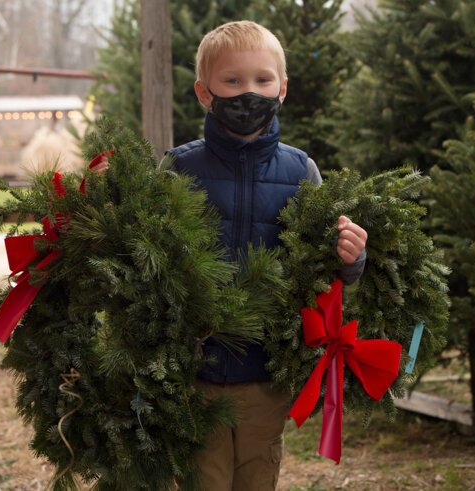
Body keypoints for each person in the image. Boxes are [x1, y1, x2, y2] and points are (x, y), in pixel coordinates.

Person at [164, 20, 368, 490]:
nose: (248, 93)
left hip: (265, 371)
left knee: (257, 474)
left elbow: (324, 269)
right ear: (204, 92)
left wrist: (350, 257)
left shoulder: (302, 171)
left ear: (282, 89)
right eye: (232, 81)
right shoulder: (178, 168)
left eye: (262, 80)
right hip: (196, 371)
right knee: (202, 477)